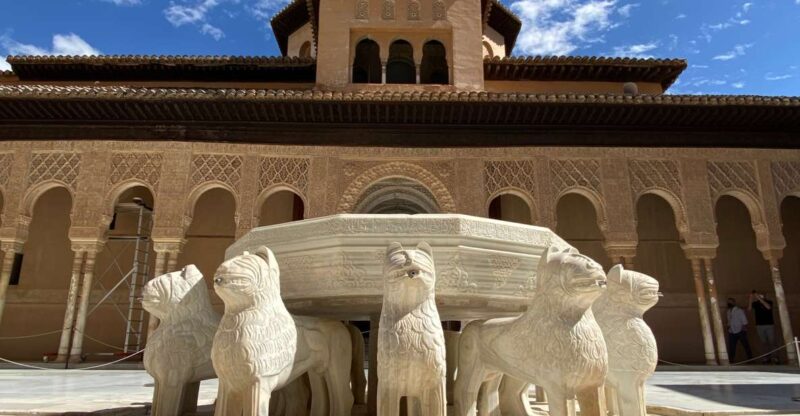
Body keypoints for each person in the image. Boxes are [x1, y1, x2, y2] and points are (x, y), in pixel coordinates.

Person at [749, 290, 779, 364]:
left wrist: (759, 298)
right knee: (764, 342)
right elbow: (749, 309)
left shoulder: (769, 302)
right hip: (759, 325)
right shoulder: (755, 304)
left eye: (761, 295)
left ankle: (775, 357)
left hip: (769, 325)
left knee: (772, 342)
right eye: (758, 295)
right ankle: (766, 358)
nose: (759, 296)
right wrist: (750, 298)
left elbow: (768, 307)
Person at [726, 297, 752, 364]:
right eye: (728, 302)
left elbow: (745, 321)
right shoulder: (728, 311)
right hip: (731, 331)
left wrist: (743, 329)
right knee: (731, 347)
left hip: (740, 331)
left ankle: (751, 359)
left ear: (734, 303)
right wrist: (728, 328)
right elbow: (729, 321)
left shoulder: (739, 311)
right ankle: (731, 361)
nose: (729, 303)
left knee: (746, 346)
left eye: (730, 302)